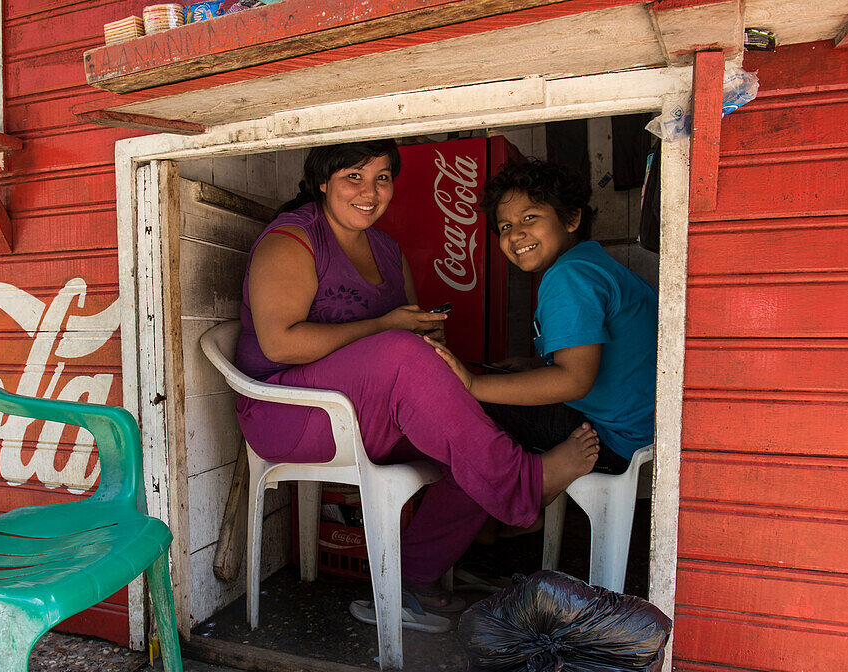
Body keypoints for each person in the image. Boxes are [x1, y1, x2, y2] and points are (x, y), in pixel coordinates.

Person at [233, 140, 599, 615]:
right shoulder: (294, 239)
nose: (370, 192)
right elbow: (280, 343)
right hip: (290, 415)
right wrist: (391, 329)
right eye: (354, 178)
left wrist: (428, 335)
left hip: (370, 414)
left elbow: (405, 335)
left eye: (382, 178)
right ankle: (522, 483)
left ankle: (409, 581)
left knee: (476, 423)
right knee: (407, 355)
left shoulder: (387, 249)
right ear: (323, 183)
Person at [429, 158, 657, 490]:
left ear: (571, 218)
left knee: (461, 403)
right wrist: (534, 365)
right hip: (642, 431)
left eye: (530, 218)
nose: (516, 233)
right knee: (495, 386)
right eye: (505, 226)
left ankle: (535, 490)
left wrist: (472, 386)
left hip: (611, 440)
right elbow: (596, 360)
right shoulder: (591, 264)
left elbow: (574, 380)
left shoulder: (568, 276)